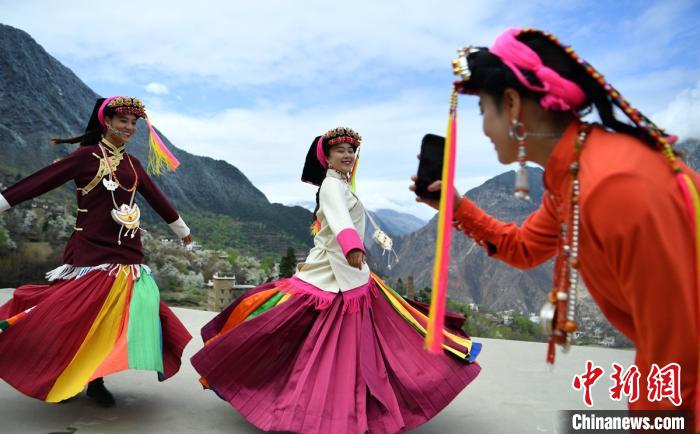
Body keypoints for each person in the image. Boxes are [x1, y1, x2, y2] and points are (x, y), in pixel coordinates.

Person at [412, 28, 698, 422]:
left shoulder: (613, 186)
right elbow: (523, 248)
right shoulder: (577, 175)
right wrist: (456, 206)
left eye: (483, 112)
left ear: (512, 104)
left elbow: (678, 358)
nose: (484, 129)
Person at [191, 127, 481, 434]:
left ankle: (348, 404)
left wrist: (353, 249)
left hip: (348, 272)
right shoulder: (331, 185)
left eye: (351, 150)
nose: (347, 155)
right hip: (330, 272)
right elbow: (340, 217)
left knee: (355, 339)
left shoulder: (341, 184)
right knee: (321, 337)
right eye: (340, 150)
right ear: (327, 158)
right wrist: (352, 245)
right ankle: (319, 404)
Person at [0, 96, 192, 406]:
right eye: (123, 121)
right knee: (79, 316)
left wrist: (183, 231)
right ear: (107, 122)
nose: (129, 127)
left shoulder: (133, 165)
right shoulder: (85, 157)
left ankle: (95, 379)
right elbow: (39, 182)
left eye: (133, 123)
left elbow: (157, 199)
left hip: (126, 251)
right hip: (89, 251)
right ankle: (67, 375)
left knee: (110, 317)